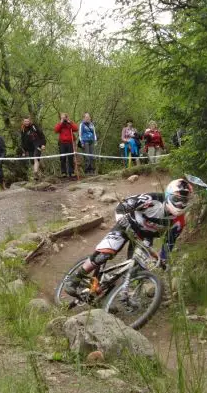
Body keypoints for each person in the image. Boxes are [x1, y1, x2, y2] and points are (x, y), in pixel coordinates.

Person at [64, 178, 194, 298]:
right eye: (177, 199)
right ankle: (74, 278)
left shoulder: (179, 222)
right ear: (168, 195)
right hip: (127, 226)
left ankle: (114, 294)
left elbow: (169, 242)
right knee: (104, 255)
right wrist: (121, 219)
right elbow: (123, 205)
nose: (181, 203)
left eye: (184, 200)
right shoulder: (151, 199)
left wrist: (163, 259)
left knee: (138, 267)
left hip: (145, 237)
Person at [54, 112, 78, 178]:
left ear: (67, 117)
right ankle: (63, 172)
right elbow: (56, 130)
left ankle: (71, 172)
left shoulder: (70, 123)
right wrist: (61, 122)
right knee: (62, 158)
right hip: (62, 143)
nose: (64, 118)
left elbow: (76, 129)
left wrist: (70, 122)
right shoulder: (60, 124)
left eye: (64, 117)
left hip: (70, 142)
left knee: (70, 157)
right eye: (62, 117)